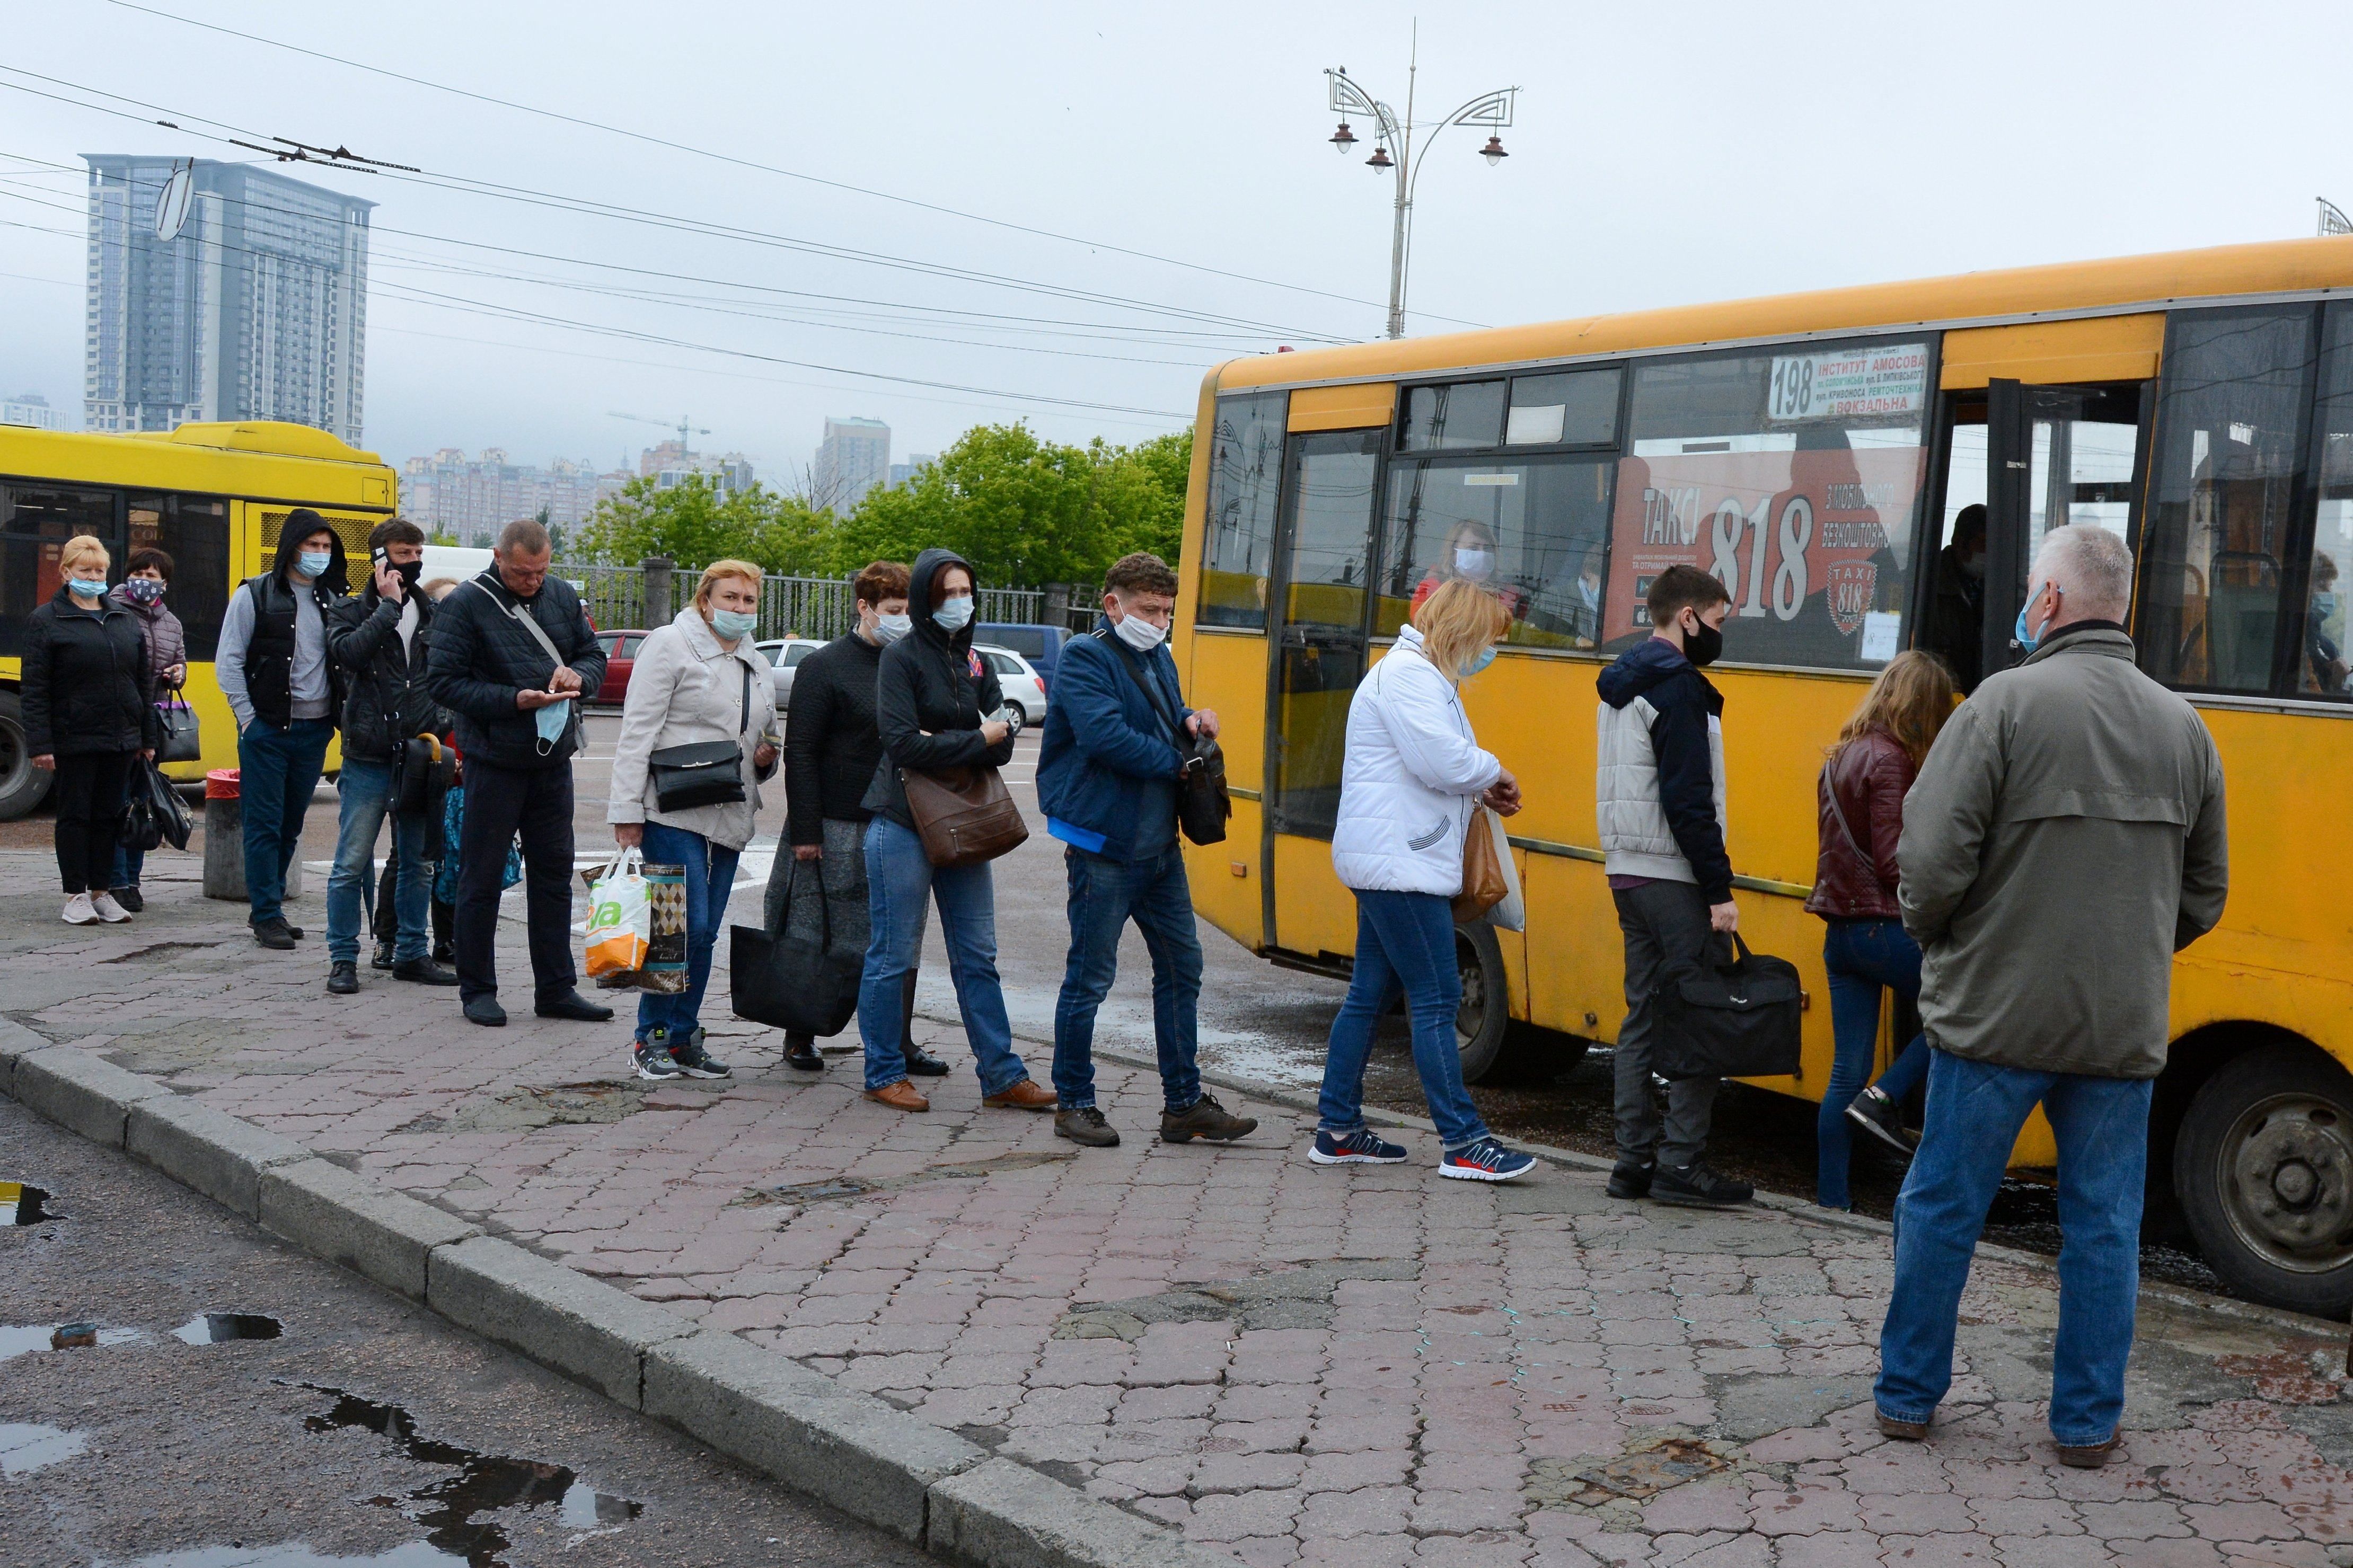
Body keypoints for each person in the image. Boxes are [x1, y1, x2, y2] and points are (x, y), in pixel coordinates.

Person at [1874, 524, 2227, 1468]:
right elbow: (2203, 891)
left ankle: (1907, 1397)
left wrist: (1942, 939)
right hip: (2117, 1029)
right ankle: (2083, 1423)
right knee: (2103, 1226)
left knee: (1942, 1206)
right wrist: (2129, 951)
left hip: (1990, 1018)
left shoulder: (1998, 706)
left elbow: (1928, 862)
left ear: (2049, 602)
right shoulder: (2182, 726)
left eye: (2029, 589)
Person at [1311, 578, 1537, 1181]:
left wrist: (1479, 778)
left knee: (1368, 994)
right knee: (1436, 997)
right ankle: (1463, 1142)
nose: (1488, 651)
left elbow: (1435, 759)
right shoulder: (1410, 675)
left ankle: (1337, 1129)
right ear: (1463, 630)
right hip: (1400, 865)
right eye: (1487, 638)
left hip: (1391, 858)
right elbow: (1440, 759)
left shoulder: (1414, 673)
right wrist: (1493, 770)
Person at [1038, 552, 1258, 1150]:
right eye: (1147, 609)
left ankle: (1183, 1104)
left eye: (1166, 611)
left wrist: (1191, 720)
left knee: (1182, 968)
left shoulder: (1157, 654)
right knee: (1089, 978)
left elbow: (1164, 716)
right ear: (1113, 606)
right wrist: (1178, 762)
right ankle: (1074, 1103)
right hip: (1103, 844)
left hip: (1158, 844)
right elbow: (1104, 736)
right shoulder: (1086, 656)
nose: (1159, 621)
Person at [856, 548, 1056, 1114]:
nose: (958, 602)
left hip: (964, 821)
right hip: (902, 821)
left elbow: (1007, 738)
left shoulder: (977, 663)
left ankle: (1001, 1076)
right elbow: (903, 743)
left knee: (978, 955)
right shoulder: (902, 659)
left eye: (966, 591)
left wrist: (962, 736)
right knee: (891, 955)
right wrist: (975, 736)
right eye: (946, 592)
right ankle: (883, 1072)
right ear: (924, 597)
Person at [1595, 563, 1753, 1209]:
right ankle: (1681, 1164)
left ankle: (1631, 1161)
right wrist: (1718, 890)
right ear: (1686, 617)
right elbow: (1688, 803)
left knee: (1639, 1016)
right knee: (1699, 1017)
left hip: (1625, 871)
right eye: (1716, 622)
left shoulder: (1624, 679)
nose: (1719, 634)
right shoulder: (1678, 687)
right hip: (1671, 875)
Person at [425, 518, 612, 1029]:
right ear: (499, 556)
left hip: (552, 762)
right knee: (480, 878)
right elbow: (442, 682)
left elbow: (591, 654)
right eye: (524, 572)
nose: (534, 581)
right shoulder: (465, 604)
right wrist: (512, 700)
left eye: (542, 570)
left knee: (553, 878)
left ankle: (556, 988)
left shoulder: (558, 595)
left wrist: (580, 676)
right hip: (494, 762)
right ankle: (478, 989)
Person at [609, 560, 780, 1080]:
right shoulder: (669, 643)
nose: (739, 609)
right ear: (705, 599)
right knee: (678, 928)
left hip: (730, 807)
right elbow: (637, 729)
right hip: (672, 805)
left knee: (703, 933)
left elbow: (764, 734)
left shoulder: (756, 660)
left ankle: (684, 1040)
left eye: (748, 601)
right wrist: (626, 812)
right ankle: (651, 1037)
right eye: (730, 598)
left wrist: (768, 757)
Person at [768, 560, 937, 1076]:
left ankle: (899, 1041)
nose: (904, 620)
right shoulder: (826, 666)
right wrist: (806, 831)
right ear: (863, 607)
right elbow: (799, 751)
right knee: (816, 931)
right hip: (838, 823)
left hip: (906, 823)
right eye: (893, 611)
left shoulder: (918, 664)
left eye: (912, 611)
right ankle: (801, 1033)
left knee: (900, 934)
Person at [1802, 650, 1955, 1210]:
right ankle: (1886, 1095)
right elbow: (1893, 862)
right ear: (1922, 707)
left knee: (1845, 1069)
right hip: (1881, 929)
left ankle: (1832, 1202)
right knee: (1959, 1007)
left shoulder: (1840, 753)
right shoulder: (1891, 758)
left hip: (1840, 933)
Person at [323, 519, 456, 996]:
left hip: (421, 755)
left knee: (419, 863)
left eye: (418, 551)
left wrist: (441, 722)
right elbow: (348, 655)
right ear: (381, 558)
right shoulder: (347, 610)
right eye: (403, 553)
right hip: (368, 756)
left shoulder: (434, 612)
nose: (413, 560)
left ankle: (411, 953)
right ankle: (343, 958)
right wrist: (387, 608)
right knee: (351, 862)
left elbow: (450, 672)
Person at [217, 510, 348, 949]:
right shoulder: (254, 594)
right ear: (292, 546)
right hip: (268, 730)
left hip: (314, 731)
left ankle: (270, 903)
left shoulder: (334, 600)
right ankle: (266, 914)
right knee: (264, 824)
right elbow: (229, 661)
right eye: (312, 545)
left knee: (291, 824)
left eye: (326, 547)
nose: (319, 554)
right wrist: (249, 719)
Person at [23, 535, 158, 925]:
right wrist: (40, 743)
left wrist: (146, 739)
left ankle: (102, 891)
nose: (94, 576)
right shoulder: (47, 620)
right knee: (75, 815)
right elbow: (36, 688)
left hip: (120, 737)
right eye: (85, 570)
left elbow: (142, 683)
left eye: (99, 570)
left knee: (108, 816)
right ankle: (75, 894)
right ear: (66, 572)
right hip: (74, 736)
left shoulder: (122, 618)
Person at [105, 547, 186, 913]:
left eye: (153, 575)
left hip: (152, 720)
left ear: (164, 583)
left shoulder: (170, 621)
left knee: (143, 803)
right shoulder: (113, 612)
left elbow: (179, 659)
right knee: (119, 802)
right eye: (139, 572)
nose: (145, 580)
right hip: (119, 719)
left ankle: (133, 879)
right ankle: (117, 880)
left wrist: (179, 672)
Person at [1922, 503, 1988, 691]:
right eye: (1984, 544)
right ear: (1959, 543)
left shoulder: (2000, 587)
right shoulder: (1928, 584)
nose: (1989, 553)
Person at [1408, 518, 1524, 619]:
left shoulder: (1508, 595)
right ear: (1453, 553)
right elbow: (1424, 625)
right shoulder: (1432, 591)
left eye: (1487, 548)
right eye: (1473, 548)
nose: (1482, 554)